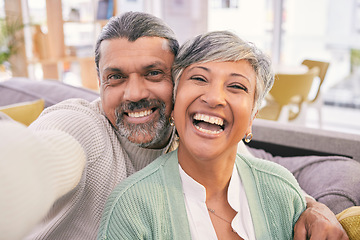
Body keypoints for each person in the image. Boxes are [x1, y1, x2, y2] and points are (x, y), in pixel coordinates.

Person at [0, 12, 348, 240]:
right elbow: (39, 158)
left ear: (178, 87)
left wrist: (313, 207)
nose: (134, 94)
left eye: (154, 73)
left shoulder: (195, 133)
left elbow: (256, 177)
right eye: (116, 78)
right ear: (99, 85)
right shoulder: (81, 127)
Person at [97, 30, 306, 239]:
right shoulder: (131, 206)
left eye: (236, 86)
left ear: (251, 118)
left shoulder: (283, 191)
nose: (214, 98)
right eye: (199, 78)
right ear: (174, 102)